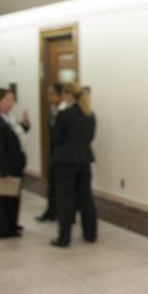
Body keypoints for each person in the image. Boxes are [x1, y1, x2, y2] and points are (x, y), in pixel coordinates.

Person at [49, 82, 97, 247]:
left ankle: (64, 237)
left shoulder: (65, 114)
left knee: (65, 198)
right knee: (85, 197)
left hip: (66, 161)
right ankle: (90, 233)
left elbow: (55, 138)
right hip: (84, 159)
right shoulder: (90, 114)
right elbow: (90, 138)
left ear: (68, 95)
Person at [0, 88, 29, 238]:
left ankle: (12, 224)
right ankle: (2, 229)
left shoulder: (8, 118)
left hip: (16, 163)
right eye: (8, 100)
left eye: (12, 100)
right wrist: (3, 172)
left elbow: (16, 134)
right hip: (6, 165)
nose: (11, 103)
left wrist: (26, 125)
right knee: (4, 198)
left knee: (14, 197)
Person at [36, 83, 64, 222]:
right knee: (52, 182)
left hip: (62, 154)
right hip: (53, 152)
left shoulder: (64, 113)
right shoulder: (52, 110)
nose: (49, 97)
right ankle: (51, 210)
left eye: (52, 93)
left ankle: (63, 212)